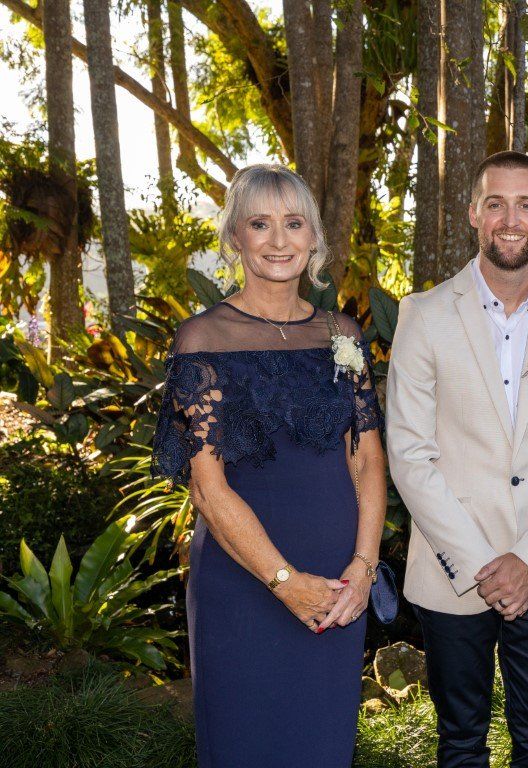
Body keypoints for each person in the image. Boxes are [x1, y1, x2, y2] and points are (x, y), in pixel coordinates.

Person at [151, 164, 386, 767]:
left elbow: (368, 462)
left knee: (322, 745)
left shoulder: (344, 333)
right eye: (260, 224)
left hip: (338, 584)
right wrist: (283, 582)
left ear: (314, 238)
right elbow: (207, 489)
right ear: (235, 237)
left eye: (293, 223)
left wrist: (362, 567)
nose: (279, 241)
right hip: (243, 582)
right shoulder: (201, 338)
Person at [386, 151, 528, 768]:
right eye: (497, 203)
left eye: (526, 204)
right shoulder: (423, 315)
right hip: (455, 567)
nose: (511, 218)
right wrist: (484, 564)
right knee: (459, 743)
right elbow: (409, 451)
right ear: (474, 214)